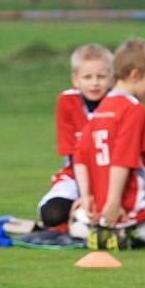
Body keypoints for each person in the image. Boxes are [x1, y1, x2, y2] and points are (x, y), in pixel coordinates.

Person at [72, 38, 145, 247]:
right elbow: (122, 160)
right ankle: (134, 228)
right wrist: (113, 203)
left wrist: (88, 196)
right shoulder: (133, 109)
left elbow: (80, 156)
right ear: (135, 75)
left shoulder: (100, 108)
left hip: (102, 198)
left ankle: (119, 227)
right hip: (135, 198)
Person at [37, 43, 113, 230]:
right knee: (51, 213)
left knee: (107, 215)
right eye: (87, 77)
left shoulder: (119, 102)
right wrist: (84, 195)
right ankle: (75, 220)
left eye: (101, 76)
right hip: (75, 175)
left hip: (111, 177)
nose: (94, 83)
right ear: (75, 79)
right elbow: (74, 154)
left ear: (111, 78)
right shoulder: (67, 101)